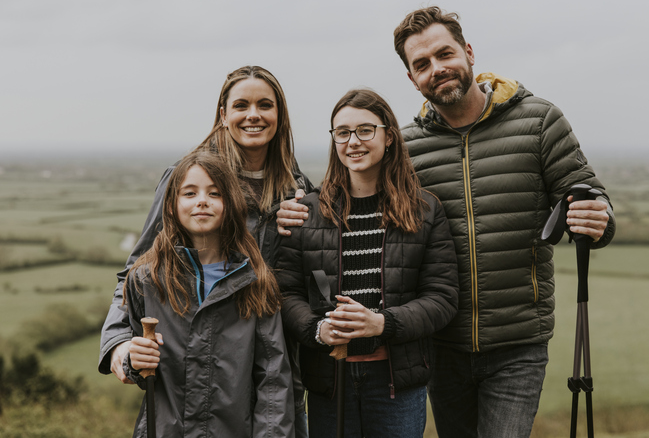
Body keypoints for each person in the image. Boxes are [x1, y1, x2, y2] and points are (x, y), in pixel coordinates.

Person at [277, 7, 616, 438]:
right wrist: (294, 210)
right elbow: (350, 198)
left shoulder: (539, 121)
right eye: (422, 64)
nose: (437, 69)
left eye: (445, 54)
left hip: (517, 338)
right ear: (412, 78)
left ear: (468, 52)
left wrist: (597, 218)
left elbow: (586, 196)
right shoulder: (408, 146)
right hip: (440, 344)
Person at [99, 65, 313, 437]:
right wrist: (118, 345)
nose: (253, 115)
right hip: (197, 361)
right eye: (241, 105)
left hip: (270, 360)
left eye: (265, 105)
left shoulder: (297, 189)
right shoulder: (187, 179)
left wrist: (307, 227)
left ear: (280, 115)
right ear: (223, 114)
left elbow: (307, 278)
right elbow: (138, 273)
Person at [275, 89, 459, 438]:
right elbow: (286, 291)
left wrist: (381, 323)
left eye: (365, 130)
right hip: (329, 379)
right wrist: (317, 330)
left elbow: (442, 297)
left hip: (396, 384)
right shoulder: (308, 212)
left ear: (388, 136)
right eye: (342, 132)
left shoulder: (423, 210)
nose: (353, 141)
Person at [124, 150, 294, 437]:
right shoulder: (147, 279)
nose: (202, 200)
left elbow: (273, 379)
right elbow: (137, 360)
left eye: (214, 193)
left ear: (231, 203)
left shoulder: (255, 280)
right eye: (189, 193)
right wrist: (132, 361)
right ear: (171, 205)